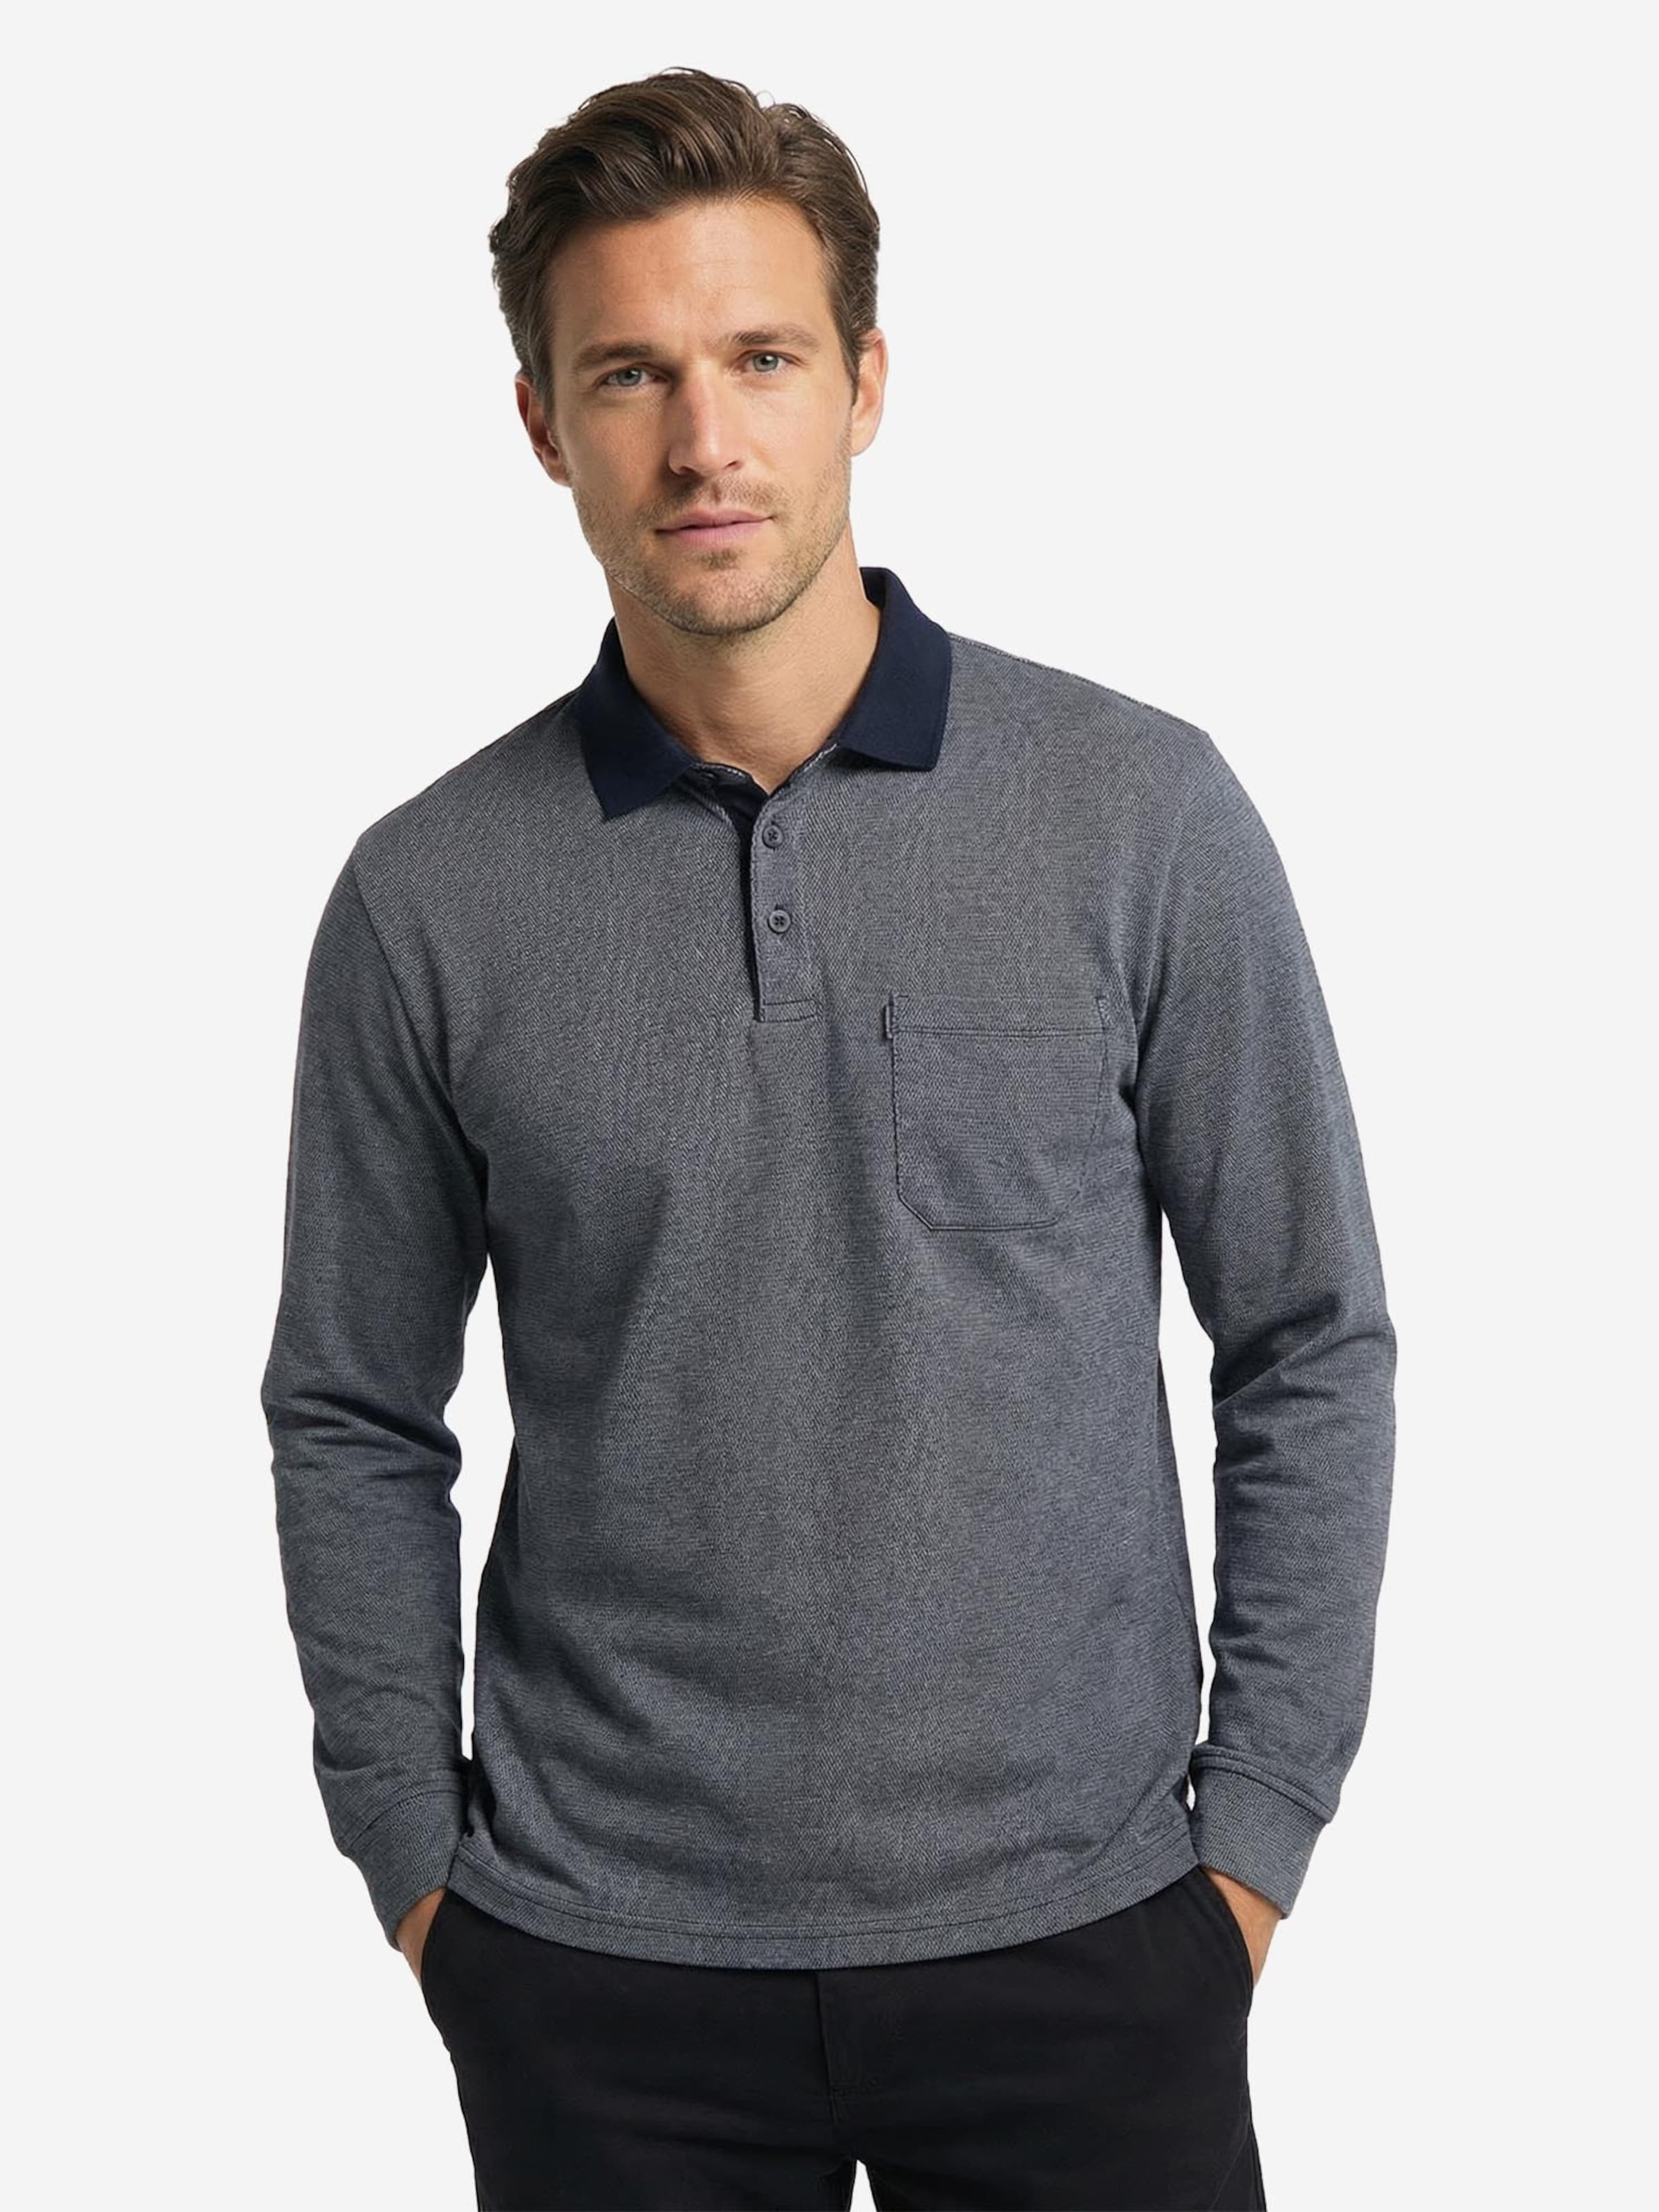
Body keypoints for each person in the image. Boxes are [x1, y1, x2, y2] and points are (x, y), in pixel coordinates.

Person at [260, 64, 1395, 2212]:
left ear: (865, 384)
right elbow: (350, 1408)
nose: (705, 440)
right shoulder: (429, 897)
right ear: (543, 424)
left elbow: (1310, 1336)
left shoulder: (1139, 817)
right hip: (601, 1973)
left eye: (763, 359)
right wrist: (417, 1865)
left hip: (1090, 1941)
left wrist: (1250, 1839)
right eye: (632, 375)